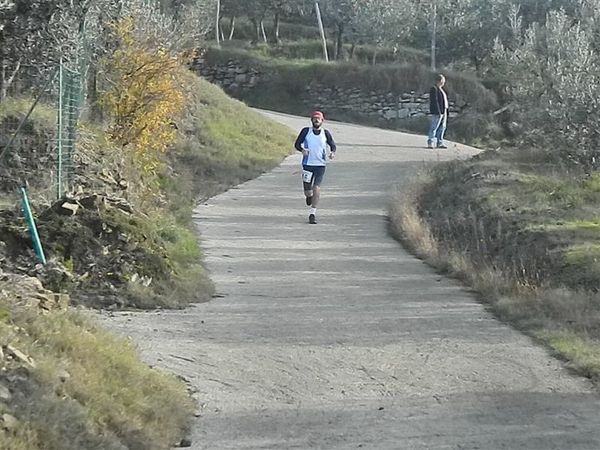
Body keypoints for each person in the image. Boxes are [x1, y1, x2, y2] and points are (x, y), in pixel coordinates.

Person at [294, 111, 336, 224]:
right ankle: (309, 196)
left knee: (316, 187)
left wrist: (332, 153)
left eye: (319, 119)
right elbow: (297, 144)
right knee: (308, 191)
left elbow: (332, 145)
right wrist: (302, 150)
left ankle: (312, 213)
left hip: (320, 165)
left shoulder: (325, 133)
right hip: (307, 164)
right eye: (315, 118)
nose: (316, 120)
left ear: (322, 121)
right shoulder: (306, 131)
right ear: (311, 120)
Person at [427, 74, 449, 149]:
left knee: (442, 127)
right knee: (434, 127)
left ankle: (440, 142)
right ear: (439, 81)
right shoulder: (434, 89)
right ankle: (430, 142)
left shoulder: (441, 89)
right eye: (443, 80)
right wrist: (438, 112)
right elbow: (435, 101)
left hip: (444, 110)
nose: (444, 82)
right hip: (438, 111)